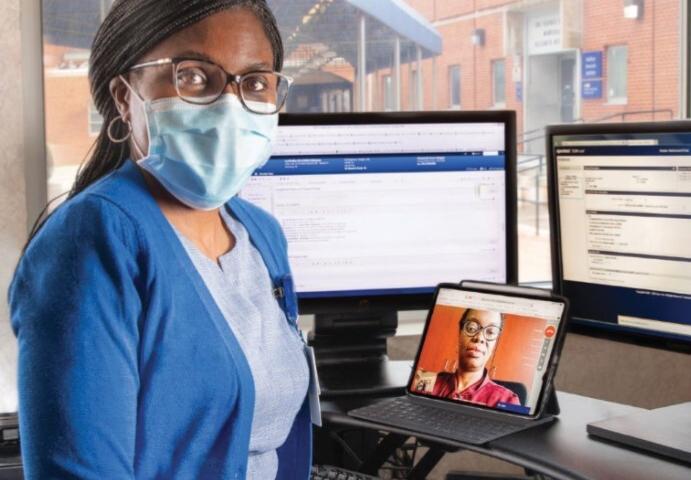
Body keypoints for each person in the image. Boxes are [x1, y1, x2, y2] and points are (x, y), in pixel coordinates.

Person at [9, 1, 313, 478]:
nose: (230, 105)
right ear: (124, 97)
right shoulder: (93, 240)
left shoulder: (260, 234)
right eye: (193, 76)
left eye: (255, 82)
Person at [431, 309, 520, 407]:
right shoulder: (426, 382)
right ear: (459, 336)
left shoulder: (510, 401)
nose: (479, 337)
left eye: (490, 332)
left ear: (494, 345)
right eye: (471, 328)